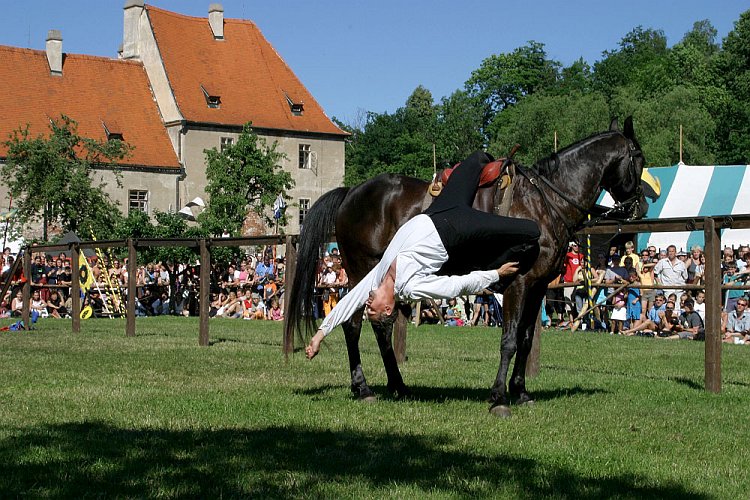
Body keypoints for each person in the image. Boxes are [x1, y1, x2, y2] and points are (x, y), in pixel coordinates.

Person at [306, 151, 540, 359]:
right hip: (455, 228)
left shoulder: (377, 277)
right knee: (532, 230)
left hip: (438, 210)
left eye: (367, 308)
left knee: (478, 157)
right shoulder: (409, 287)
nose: (367, 304)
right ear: (387, 308)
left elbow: (347, 303)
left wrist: (319, 335)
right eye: (372, 309)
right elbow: (454, 286)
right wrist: (495, 274)